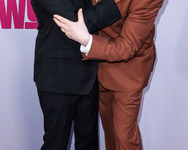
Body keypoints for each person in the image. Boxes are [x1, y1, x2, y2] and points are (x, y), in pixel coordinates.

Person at [53, 0, 164, 149]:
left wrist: (86, 40)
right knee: (110, 132)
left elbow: (127, 47)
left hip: (129, 71)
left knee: (124, 137)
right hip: (98, 65)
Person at [31, 0, 121, 149]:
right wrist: (115, 3)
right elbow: (77, 21)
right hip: (57, 78)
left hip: (88, 73)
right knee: (56, 144)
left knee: (88, 143)